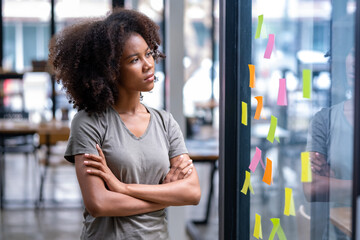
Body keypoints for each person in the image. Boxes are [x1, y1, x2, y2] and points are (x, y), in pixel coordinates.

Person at [48, 8, 201, 240]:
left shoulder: (165, 122)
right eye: (134, 59)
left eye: (149, 54)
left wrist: (122, 188)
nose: (148, 64)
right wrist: (165, 195)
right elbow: (99, 204)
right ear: (110, 71)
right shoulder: (89, 123)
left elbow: (192, 192)